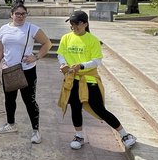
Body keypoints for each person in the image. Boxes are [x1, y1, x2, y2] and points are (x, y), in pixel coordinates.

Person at [56, 10, 137, 150]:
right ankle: (79, 135)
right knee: (75, 108)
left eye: (76, 24)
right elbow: (60, 54)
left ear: (85, 24)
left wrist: (81, 66)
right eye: (71, 24)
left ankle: (124, 134)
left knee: (99, 108)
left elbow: (96, 61)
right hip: (72, 79)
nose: (73, 26)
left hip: (89, 79)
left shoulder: (92, 40)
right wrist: (63, 64)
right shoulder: (66, 38)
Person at [0, 2, 50, 143]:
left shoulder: (31, 28)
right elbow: (0, 49)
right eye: (17, 13)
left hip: (27, 70)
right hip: (8, 70)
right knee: (9, 99)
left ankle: (36, 130)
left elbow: (47, 44)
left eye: (23, 14)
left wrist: (36, 56)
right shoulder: (3, 29)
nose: (20, 16)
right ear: (11, 14)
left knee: (29, 101)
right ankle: (11, 124)